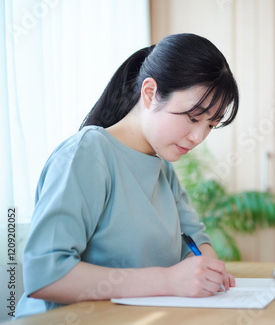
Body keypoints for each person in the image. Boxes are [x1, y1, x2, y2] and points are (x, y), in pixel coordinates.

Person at [16, 33, 239, 317]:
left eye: (211, 125)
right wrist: (168, 281)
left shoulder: (163, 169)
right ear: (149, 93)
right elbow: (44, 274)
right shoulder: (88, 154)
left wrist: (206, 269)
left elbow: (195, 239)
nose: (198, 137)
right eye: (193, 117)